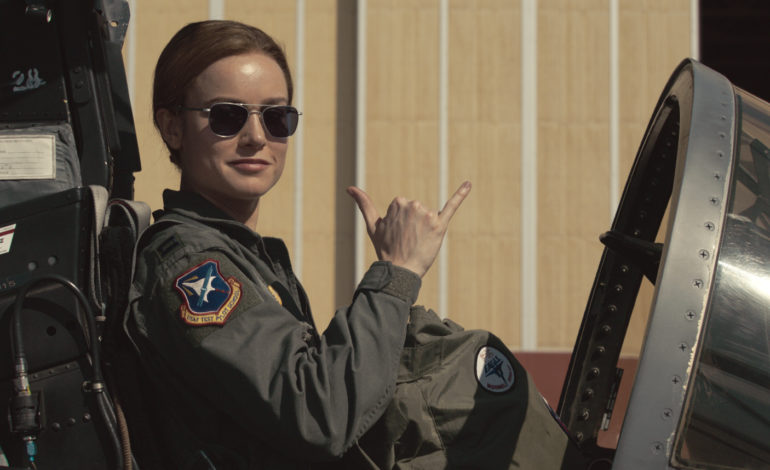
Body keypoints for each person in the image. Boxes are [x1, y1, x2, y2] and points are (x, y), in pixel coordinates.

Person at [124, 19, 470, 469]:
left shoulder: (242, 256)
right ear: (172, 127)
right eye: (227, 116)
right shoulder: (192, 267)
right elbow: (321, 414)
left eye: (276, 117)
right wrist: (396, 275)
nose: (256, 137)